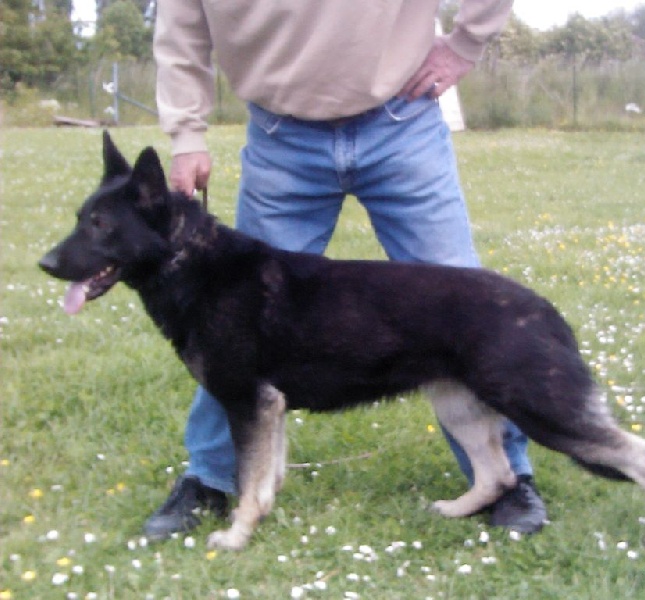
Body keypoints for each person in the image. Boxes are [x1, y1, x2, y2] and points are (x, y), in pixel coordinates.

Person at [145, 0, 547, 539]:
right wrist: (186, 133)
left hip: (401, 119)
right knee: (231, 323)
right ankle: (213, 479)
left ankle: (507, 476)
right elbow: (180, 31)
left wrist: (465, 44)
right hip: (279, 137)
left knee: (464, 306)